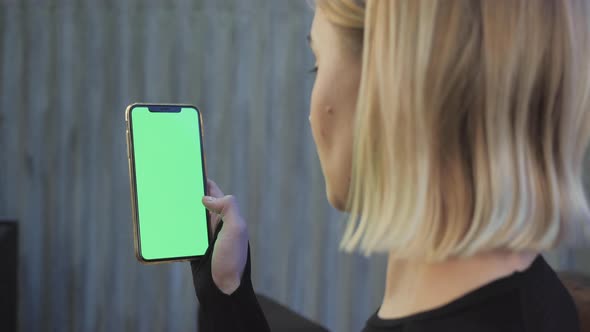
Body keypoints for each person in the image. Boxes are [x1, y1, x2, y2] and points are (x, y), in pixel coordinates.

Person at [190, 0, 590, 331]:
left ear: (389, 86)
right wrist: (227, 288)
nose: (313, 114)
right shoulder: (528, 288)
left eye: (318, 63)